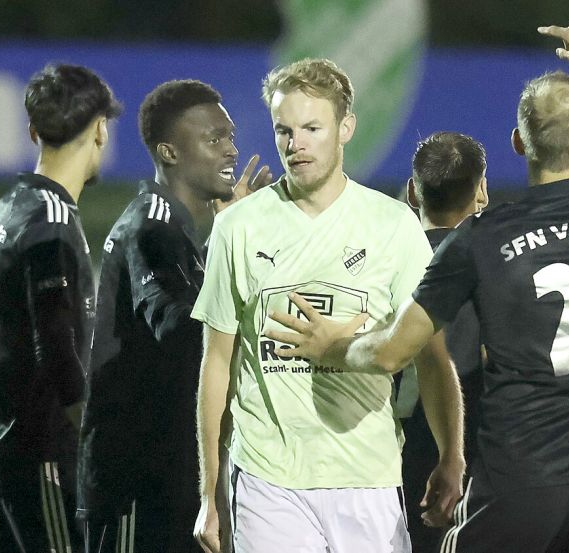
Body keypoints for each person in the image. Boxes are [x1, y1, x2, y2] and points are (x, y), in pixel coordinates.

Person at [266, 21, 569, 553]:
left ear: (519, 143)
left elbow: (391, 354)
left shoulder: (481, 239)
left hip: (518, 488)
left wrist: (332, 345)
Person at [192, 58, 465, 553]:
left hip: (369, 478)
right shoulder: (237, 227)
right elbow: (216, 363)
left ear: (345, 128)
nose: (295, 144)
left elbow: (432, 356)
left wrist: (452, 455)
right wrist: (209, 492)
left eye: (312, 128)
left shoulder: (394, 226)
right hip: (267, 479)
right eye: (284, 130)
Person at [77, 79, 270, 553]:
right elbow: (183, 331)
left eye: (229, 136)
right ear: (169, 152)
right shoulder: (151, 228)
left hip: (171, 479)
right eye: (213, 139)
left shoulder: (180, 232)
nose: (230, 150)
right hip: (137, 487)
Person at [0, 63, 121, 553]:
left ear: (33, 130)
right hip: (45, 454)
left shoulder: (12, 207)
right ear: (99, 129)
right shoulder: (52, 220)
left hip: (11, 446)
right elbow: (58, 348)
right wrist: (102, 439)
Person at [399, 131, 487, 552]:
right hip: (475, 450)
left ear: (413, 192)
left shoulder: (378, 259)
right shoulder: (499, 266)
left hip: (382, 448)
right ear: (481, 191)